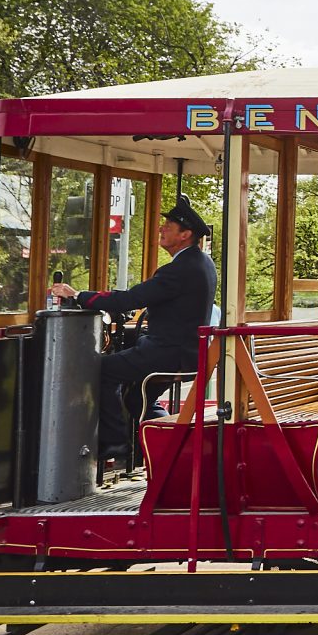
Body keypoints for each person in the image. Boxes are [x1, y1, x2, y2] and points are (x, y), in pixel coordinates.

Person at [48, 194, 217, 473]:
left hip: (167, 352)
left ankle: (116, 443)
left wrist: (78, 296)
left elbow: (129, 299)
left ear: (185, 234)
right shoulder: (201, 263)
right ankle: (155, 449)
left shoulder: (180, 269)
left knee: (102, 370)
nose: (162, 229)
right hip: (184, 351)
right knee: (138, 397)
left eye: (169, 226)